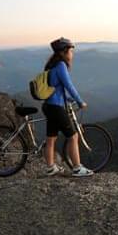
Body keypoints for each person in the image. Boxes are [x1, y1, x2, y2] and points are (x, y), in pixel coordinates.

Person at [42, 37, 93, 177]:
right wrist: (80, 101)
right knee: (73, 136)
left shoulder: (51, 65)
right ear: (64, 52)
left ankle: (51, 168)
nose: (72, 54)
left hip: (49, 106)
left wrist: (70, 99)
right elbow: (68, 85)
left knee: (50, 139)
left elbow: (57, 89)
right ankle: (77, 168)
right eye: (70, 50)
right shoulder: (61, 66)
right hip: (56, 107)